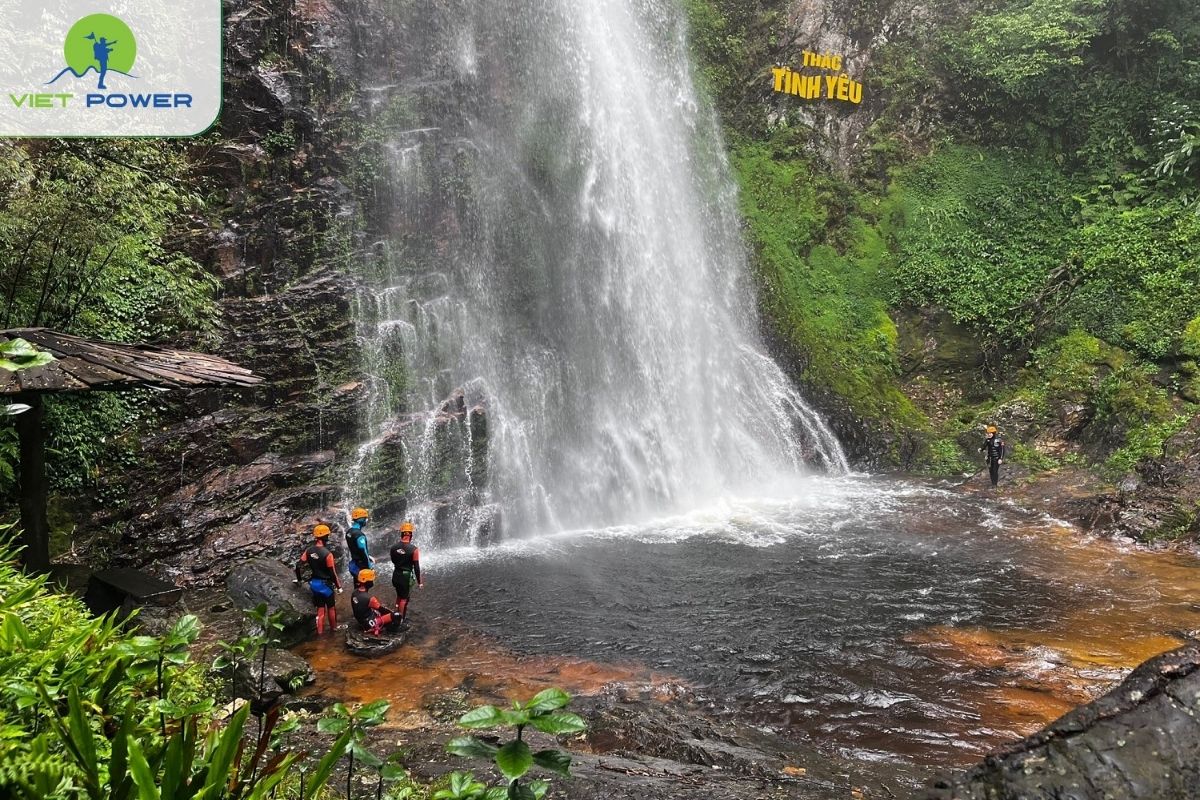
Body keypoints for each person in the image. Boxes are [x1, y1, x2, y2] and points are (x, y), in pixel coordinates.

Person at [294, 523, 343, 635]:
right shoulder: (328, 554)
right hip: (326, 586)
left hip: (314, 584)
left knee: (320, 610)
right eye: (327, 535)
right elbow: (332, 573)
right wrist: (339, 586)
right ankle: (334, 629)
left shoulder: (309, 550)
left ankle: (319, 633)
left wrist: (299, 580)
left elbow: (298, 566)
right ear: (325, 537)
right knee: (331, 608)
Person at [389, 521, 423, 623]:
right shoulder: (414, 550)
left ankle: (395, 612)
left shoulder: (393, 547)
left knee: (399, 596)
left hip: (396, 574)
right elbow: (416, 567)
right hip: (405, 576)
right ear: (410, 535)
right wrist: (419, 582)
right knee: (404, 599)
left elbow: (393, 560)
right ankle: (400, 619)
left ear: (402, 534)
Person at [349, 569, 396, 636]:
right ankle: (391, 632)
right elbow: (384, 610)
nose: (372, 581)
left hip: (361, 621)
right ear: (367, 582)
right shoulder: (369, 598)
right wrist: (392, 614)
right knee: (397, 615)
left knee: (376, 610)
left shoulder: (354, 592)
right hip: (369, 623)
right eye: (371, 580)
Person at [345, 507, 374, 581]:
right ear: (361, 519)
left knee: (357, 583)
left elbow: (355, 548)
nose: (366, 520)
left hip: (354, 563)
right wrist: (369, 567)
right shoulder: (359, 535)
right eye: (365, 518)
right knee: (364, 585)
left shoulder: (349, 532)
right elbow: (363, 551)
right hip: (362, 566)